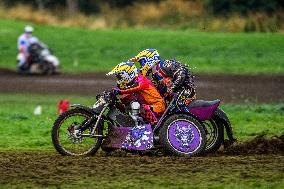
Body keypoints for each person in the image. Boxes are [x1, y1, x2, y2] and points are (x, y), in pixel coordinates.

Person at [129, 49, 196, 105]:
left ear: (149, 59)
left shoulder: (163, 65)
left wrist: (172, 88)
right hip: (176, 94)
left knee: (175, 109)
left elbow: (182, 73)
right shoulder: (155, 76)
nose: (141, 66)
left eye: (141, 62)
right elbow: (156, 91)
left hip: (185, 91)